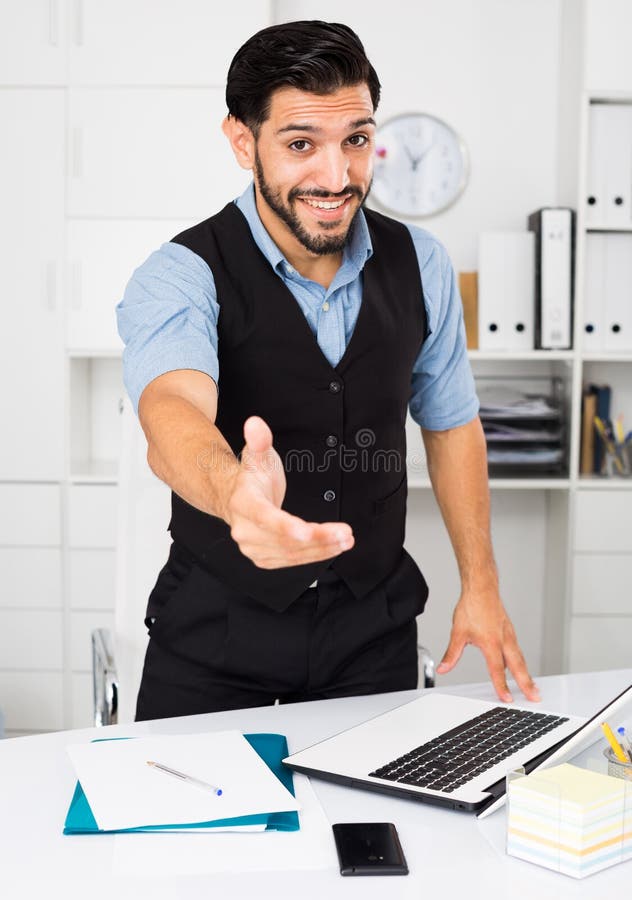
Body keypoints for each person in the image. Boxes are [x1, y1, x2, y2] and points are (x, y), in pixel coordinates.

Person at [116, 20, 540, 721]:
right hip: (213, 639)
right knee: (183, 833)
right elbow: (171, 416)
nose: (336, 176)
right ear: (242, 141)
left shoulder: (422, 264)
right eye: (301, 144)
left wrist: (482, 585)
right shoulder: (182, 274)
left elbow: (453, 425)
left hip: (370, 638)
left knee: (375, 831)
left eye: (356, 141)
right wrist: (234, 493)